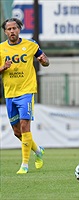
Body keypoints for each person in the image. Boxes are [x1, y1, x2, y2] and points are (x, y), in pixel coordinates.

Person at [0, 18, 50, 174]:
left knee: (24, 125)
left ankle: (24, 164)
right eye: (9, 29)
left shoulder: (30, 45)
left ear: (19, 29)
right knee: (17, 132)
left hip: (26, 92)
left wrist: (43, 61)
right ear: (5, 32)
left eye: (15, 28)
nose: (12, 31)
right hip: (10, 93)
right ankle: (38, 151)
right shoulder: (1, 49)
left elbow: (46, 61)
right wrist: (3, 67)